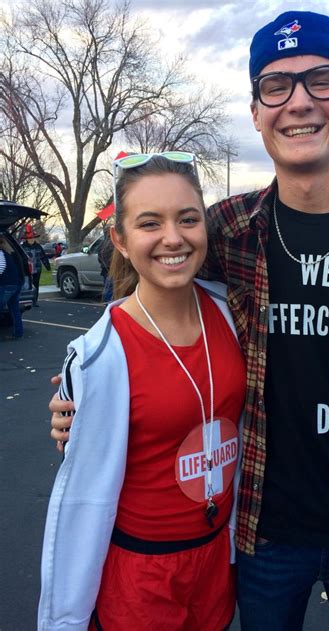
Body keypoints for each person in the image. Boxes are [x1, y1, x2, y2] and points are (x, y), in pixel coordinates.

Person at [49, 10, 329, 630]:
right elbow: (152, 287)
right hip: (259, 534)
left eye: (319, 80)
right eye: (276, 86)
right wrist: (86, 387)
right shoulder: (223, 230)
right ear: (256, 112)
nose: (298, 101)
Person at [39, 154, 246, 631]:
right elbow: (82, 473)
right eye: (150, 223)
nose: (173, 237)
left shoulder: (233, 310)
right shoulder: (99, 353)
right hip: (143, 572)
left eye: (187, 219)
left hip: (218, 555)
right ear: (121, 240)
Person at [0, 234, 24, 338]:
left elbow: (1, 268)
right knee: (14, 310)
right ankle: (18, 333)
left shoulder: (0, 253)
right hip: (16, 284)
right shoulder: (8, 252)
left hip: (6, 285)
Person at [21, 224, 50, 306]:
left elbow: (43, 256)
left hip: (37, 269)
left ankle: (35, 301)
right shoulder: (23, 247)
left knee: (36, 285)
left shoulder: (38, 247)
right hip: (27, 270)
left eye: (32, 238)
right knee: (28, 285)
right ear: (27, 239)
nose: (31, 240)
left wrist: (47, 265)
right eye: (30, 238)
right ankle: (28, 300)